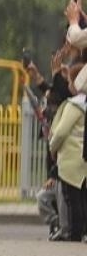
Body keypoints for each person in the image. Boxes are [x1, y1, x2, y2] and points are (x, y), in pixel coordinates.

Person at [49, 63, 87, 241]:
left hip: (70, 161)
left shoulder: (74, 106)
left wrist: (52, 148)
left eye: (71, 81)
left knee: (71, 200)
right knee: (82, 199)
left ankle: (73, 234)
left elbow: (61, 133)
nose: (69, 84)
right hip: (83, 160)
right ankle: (81, 233)